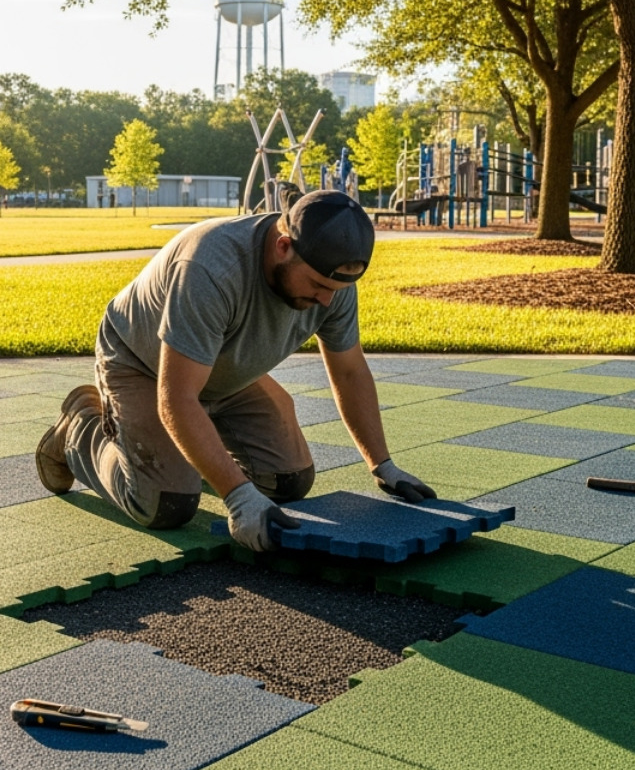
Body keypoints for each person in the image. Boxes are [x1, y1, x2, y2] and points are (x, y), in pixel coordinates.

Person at [36, 190, 435, 551]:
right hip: (143, 364)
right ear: (283, 247)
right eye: (317, 285)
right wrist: (238, 496)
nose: (327, 301)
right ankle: (78, 429)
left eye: (337, 289)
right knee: (166, 505)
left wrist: (383, 465)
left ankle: (195, 448)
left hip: (223, 371)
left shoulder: (332, 283)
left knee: (288, 482)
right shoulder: (210, 267)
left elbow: (349, 372)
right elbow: (176, 398)